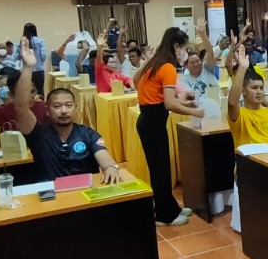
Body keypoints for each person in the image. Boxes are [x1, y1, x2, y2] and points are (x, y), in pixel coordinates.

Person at [14, 38, 123, 183]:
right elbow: (21, 108)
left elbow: (105, 158)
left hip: (86, 191)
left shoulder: (88, 134)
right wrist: (28, 68)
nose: (64, 111)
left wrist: (111, 167)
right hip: (52, 194)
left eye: (68, 105)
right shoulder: (39, 134)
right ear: (47, 111)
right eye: (57, 106)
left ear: (76, 108)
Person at [134, 28, 202, 225]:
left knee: (162, 168)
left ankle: (170, 207)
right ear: (176, 46)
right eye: (185, 48)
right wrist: (194, 112)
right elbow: (169, 104)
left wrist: (184, 104)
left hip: (150, 119)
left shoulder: (155, 63)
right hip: (153, 122)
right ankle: (164, 215)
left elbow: (146, 89)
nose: (185, 52)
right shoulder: (167, 67)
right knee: (160, 170)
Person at [227, 45, 268, 147]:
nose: (259, 92)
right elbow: (232, 103)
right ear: (243, 91)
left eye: (261, 88)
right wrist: (242, 68)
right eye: (254, 88)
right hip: (250, 157)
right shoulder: (240, 114)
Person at [0, 62, 48, 130]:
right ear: (11, 95)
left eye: (32, 91)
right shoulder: (4, 111)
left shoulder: (43, 108)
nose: (30, 96)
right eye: (22, 93)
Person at [176, 21, 219, 100]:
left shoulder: (207, 70)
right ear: (186, 66)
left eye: (198, 61)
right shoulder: (184, 80)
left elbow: (210, 52)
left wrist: (203, 34)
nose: (196, 64)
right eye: (192, 62)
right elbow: (189, 96)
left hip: (215, 103)